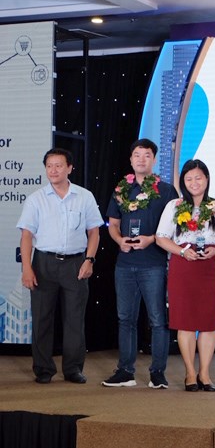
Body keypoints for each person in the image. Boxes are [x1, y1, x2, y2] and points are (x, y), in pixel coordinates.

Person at [17, 148, 103, 384]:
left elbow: (94, 232)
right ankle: (43, 369)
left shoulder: (84, 196)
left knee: (75, 319)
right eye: (49, 166)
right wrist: (27, 268)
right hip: (43, 263)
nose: (53, 170)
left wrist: (89, 260)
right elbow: (26, 236)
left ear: (70, 168)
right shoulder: (36, 199)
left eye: (58, 165)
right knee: (42, 318)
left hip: (76, 263)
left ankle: (73, 369)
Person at [102, 139, 178, 389]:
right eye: (137, 154)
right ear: (131, 159)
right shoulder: (121, 190)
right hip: (124, 264)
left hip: (153, 263)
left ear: (154, 160)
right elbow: (113, 224)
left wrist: (151, 239)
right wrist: (119, 240)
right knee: (125, 319)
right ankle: (125, 371)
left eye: (147, 155)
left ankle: (158, 373)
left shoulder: (166, 191)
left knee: (157, 320)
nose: (141, 159)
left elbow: (174, 227)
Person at [156, 159, 215, 392]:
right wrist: (182, 251)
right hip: (183, 266)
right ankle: (189, 373)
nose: (194, 183)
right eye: (189, 179)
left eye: (198, 178)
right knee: (185, 322)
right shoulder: (174, 205)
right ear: (183, 182)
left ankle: (204, 373)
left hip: (210, 267)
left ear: (207, 179)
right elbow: (161, 237)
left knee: (208, 323)